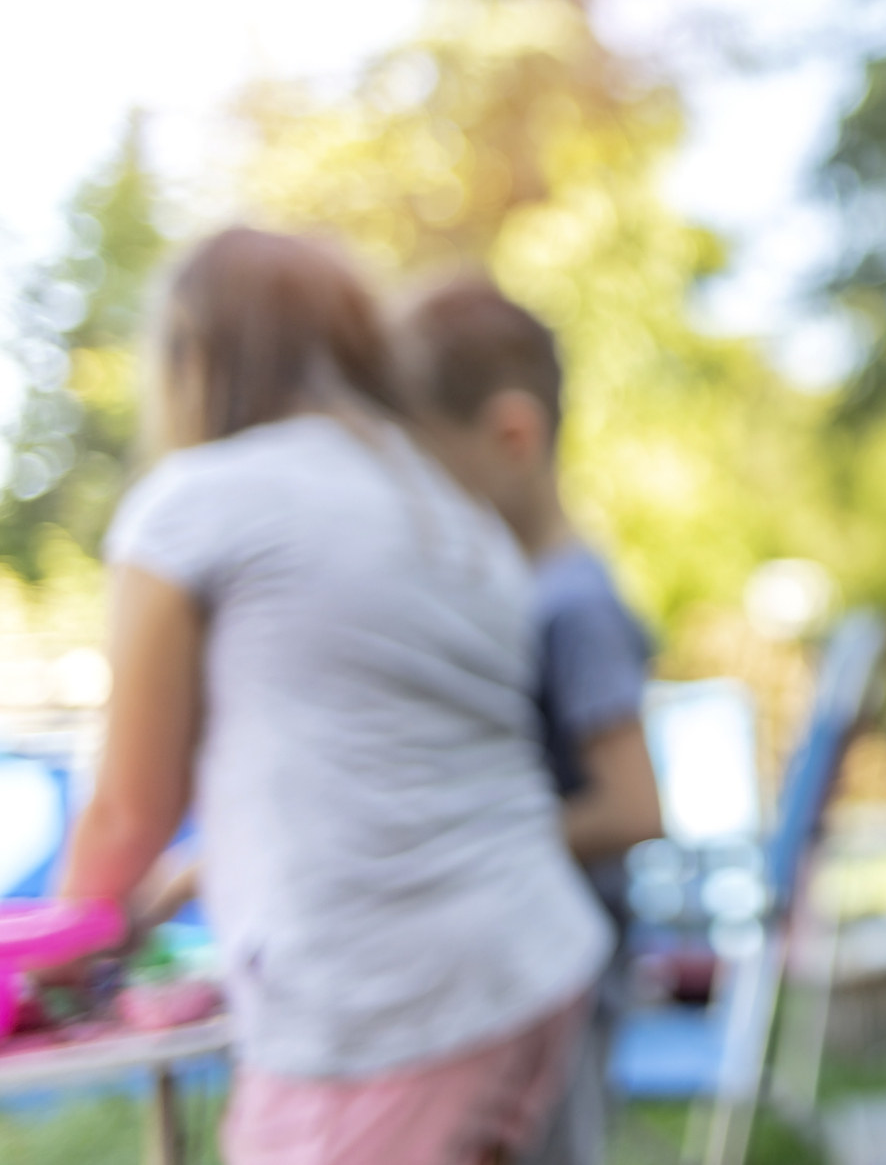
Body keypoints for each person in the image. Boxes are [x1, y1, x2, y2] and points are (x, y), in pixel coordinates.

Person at [61, 228, 611, 1165]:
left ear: (194, 358)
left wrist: (49, 969)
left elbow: (126, 812)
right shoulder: (448, 508)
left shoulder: (198, 501)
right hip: (540, 959)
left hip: (387, 1007)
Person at [396, 274, 663, 1165]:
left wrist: (469, 841)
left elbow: (633, 807)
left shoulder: (571, 605)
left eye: (426, 469)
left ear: (512, 435)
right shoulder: (529, 593)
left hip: (571, 964)